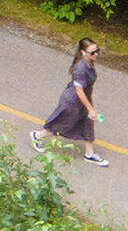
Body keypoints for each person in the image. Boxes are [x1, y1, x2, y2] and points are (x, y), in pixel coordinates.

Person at [30, 38, 107, 166]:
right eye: (92, 52)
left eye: (97, 51)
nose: (96, 54)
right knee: (63, 125)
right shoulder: (81, 68)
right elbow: (79, 90)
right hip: (73, 102)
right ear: (83, 52)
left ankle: (90, 154)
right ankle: (37, 136)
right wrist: (90, 108)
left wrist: (89, 105)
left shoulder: (89, 62)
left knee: (87, 124)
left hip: (83, 101)